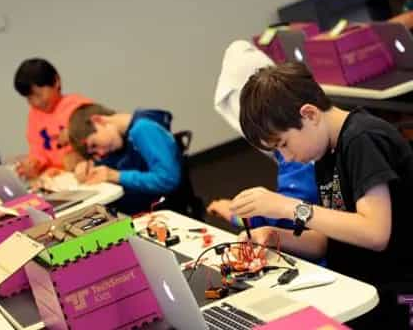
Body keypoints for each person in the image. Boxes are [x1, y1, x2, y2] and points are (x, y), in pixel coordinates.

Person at [232, 61, 413, 327]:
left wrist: (289, 207)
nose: (288, 157)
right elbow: (326, 241)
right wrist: (275, 236)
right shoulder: (325, 151)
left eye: (283, 144)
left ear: (310, 114)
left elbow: (375, 233)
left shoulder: (362, 139)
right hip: (359, 290)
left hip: (397, 296)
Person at [207, 41, 319, 258]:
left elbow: (299, 218)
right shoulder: (295, 144)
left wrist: (247, 215)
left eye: (282, 144)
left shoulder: (301, 155)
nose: (284, 155)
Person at [68, 104, 182, 215]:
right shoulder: (122, 138)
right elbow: (113, 162)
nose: (101, 153)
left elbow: (167, 179)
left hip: (162, 214)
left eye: (94, 145)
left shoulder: (143, 129)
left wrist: (116, 176)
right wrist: (87, 166)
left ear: (98, 121)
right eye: (94, 153)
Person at [13, 58, 92, 179]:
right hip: (57, 180)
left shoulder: (78, 106)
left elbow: (97, 138)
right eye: (29, 98)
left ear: (56, 81)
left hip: (84, 174)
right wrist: (34, 163)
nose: (36, 102)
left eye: (38, 95)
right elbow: (37, 149)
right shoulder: (34, 115)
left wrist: (75, 137)